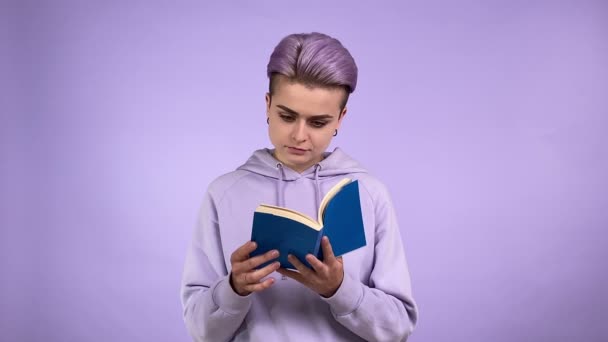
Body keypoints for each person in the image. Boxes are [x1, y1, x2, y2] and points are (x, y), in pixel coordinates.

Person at [181, 32, 418, 341]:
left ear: (340, 119)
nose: (299, 135)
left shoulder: (369, 194)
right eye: (287, 116)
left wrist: (339, 289)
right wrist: (234, 288)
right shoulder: (223, 194)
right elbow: (200, 331)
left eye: (318, 122)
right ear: (267, 105)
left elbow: (398, 328)